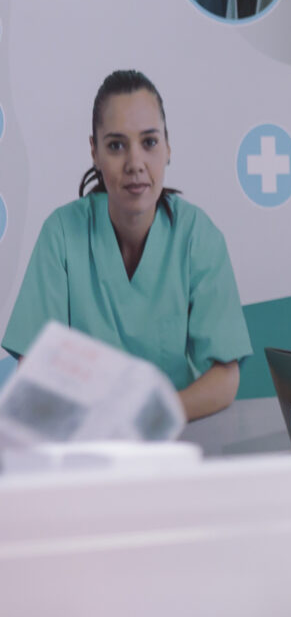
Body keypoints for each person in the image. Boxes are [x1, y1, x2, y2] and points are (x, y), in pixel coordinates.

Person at [2, 70, 249, 420]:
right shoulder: (62, 235)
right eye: (116, 145)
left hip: (177, 441)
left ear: (168, 147)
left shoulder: (197, 236)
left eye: (149, 142)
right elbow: (34, 368)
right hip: (85, 448)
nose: (135, 164)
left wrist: (149, 419)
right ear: (95, 151)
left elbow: (226, 377)